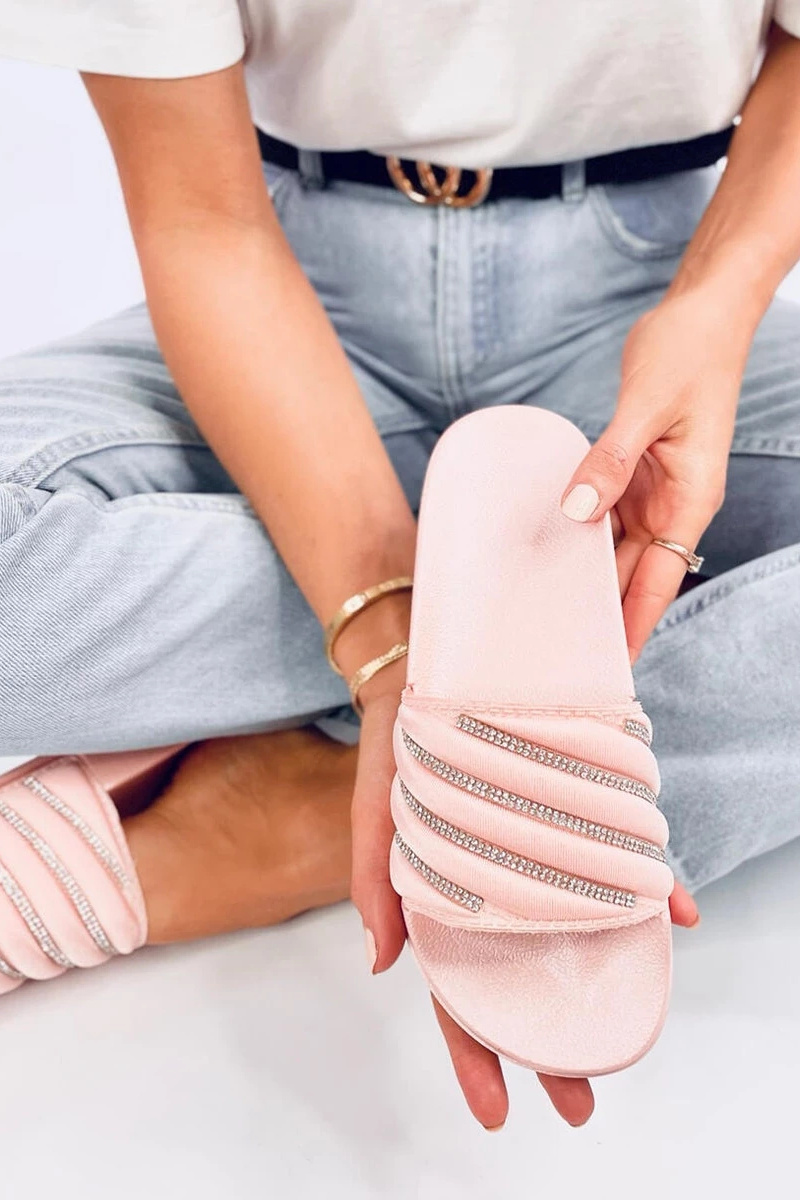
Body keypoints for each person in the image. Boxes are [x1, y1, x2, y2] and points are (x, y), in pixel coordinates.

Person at [1, 1, 799, 1131]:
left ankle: (318, 816)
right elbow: (202, 218)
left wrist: (715, 309)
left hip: (652, 291)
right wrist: (380, 639)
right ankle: (508, 783)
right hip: (279, 296)